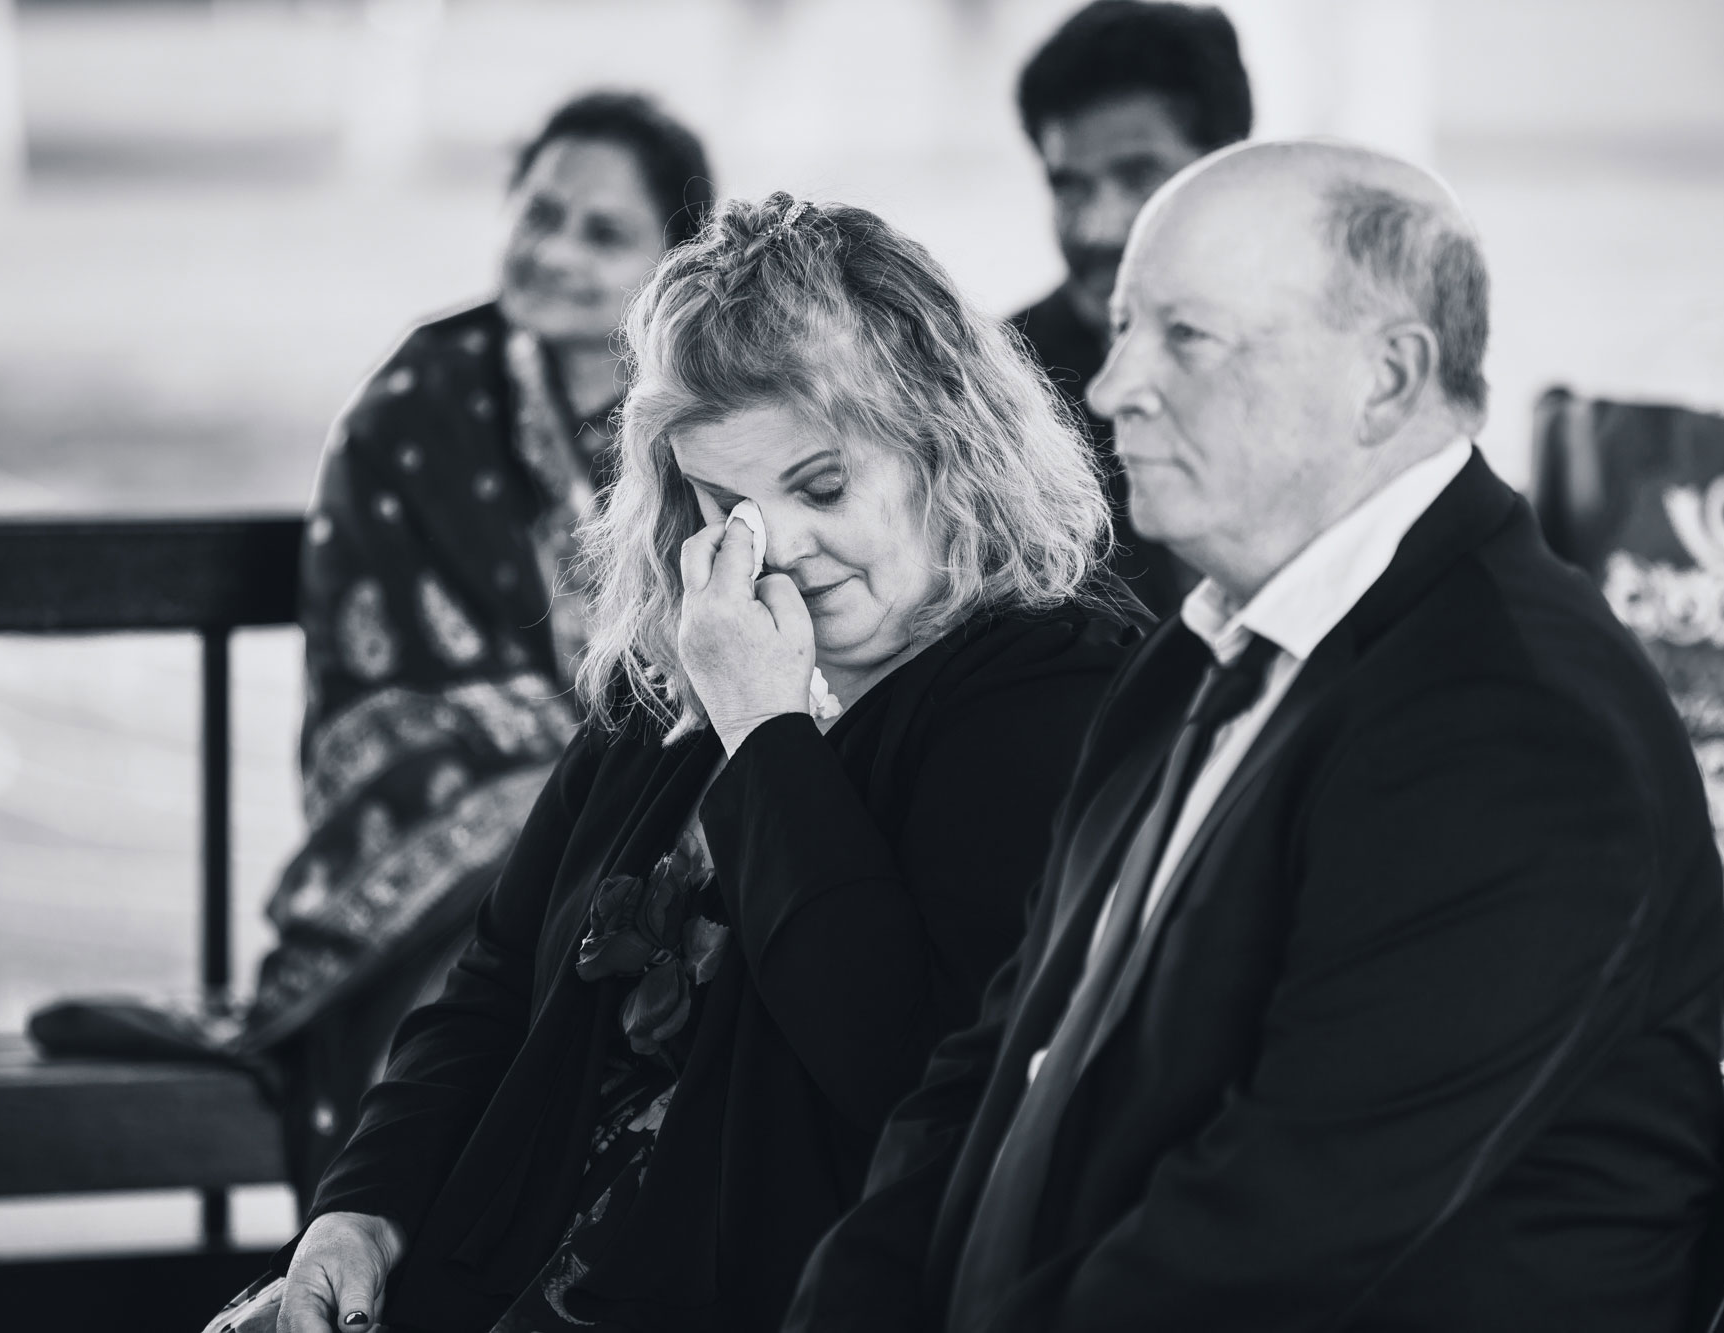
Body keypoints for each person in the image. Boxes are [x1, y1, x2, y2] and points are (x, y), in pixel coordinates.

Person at [786, 141, 1724, 1332]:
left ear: (1384, 379)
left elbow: (1274, 1248)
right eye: (1124, 326)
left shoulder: (1514, 724)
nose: (1111, 383)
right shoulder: (1200, 649)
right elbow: (991, 1071)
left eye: (1186, 336)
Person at [207, 193, 1142, 1333]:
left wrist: (765, 734)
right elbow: (496, 982)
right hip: (492, 1270)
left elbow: (909, 1069)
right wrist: (364, 1208)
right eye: (723, 502)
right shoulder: (676, 662)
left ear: (943, 441)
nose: (777, 550)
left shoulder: (1050, 692)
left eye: (820, 485)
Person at [30, 91, 716, 1207]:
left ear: (671, 258)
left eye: (602, 234)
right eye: (538, 215)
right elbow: (389, 677)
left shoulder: (701, 414)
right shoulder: (418, 402)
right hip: (443, 849)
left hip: (644, 813)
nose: (553, 253)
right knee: (521, 979)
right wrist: (589, 777)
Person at [1008, 0, 1251, 618]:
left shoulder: (1321, 356)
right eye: (1070, 187)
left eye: (1137, 176)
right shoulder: (997, 392)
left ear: (1229, 169)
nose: (1097, 228)